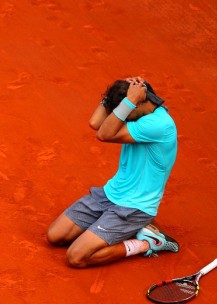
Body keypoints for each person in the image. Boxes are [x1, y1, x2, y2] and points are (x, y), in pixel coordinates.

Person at [47, 76, 178, 268]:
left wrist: (129, 100)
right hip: (111, 194)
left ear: (138, 102)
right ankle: (129, 230)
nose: (119, 114)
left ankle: (147, 243)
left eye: (124, 109)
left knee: (76, 257)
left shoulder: (159, 124)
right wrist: (113, 95)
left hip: (134, 207)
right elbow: (95, 123)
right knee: (55, 236)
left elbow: (103, 134)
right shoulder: (138, 113)